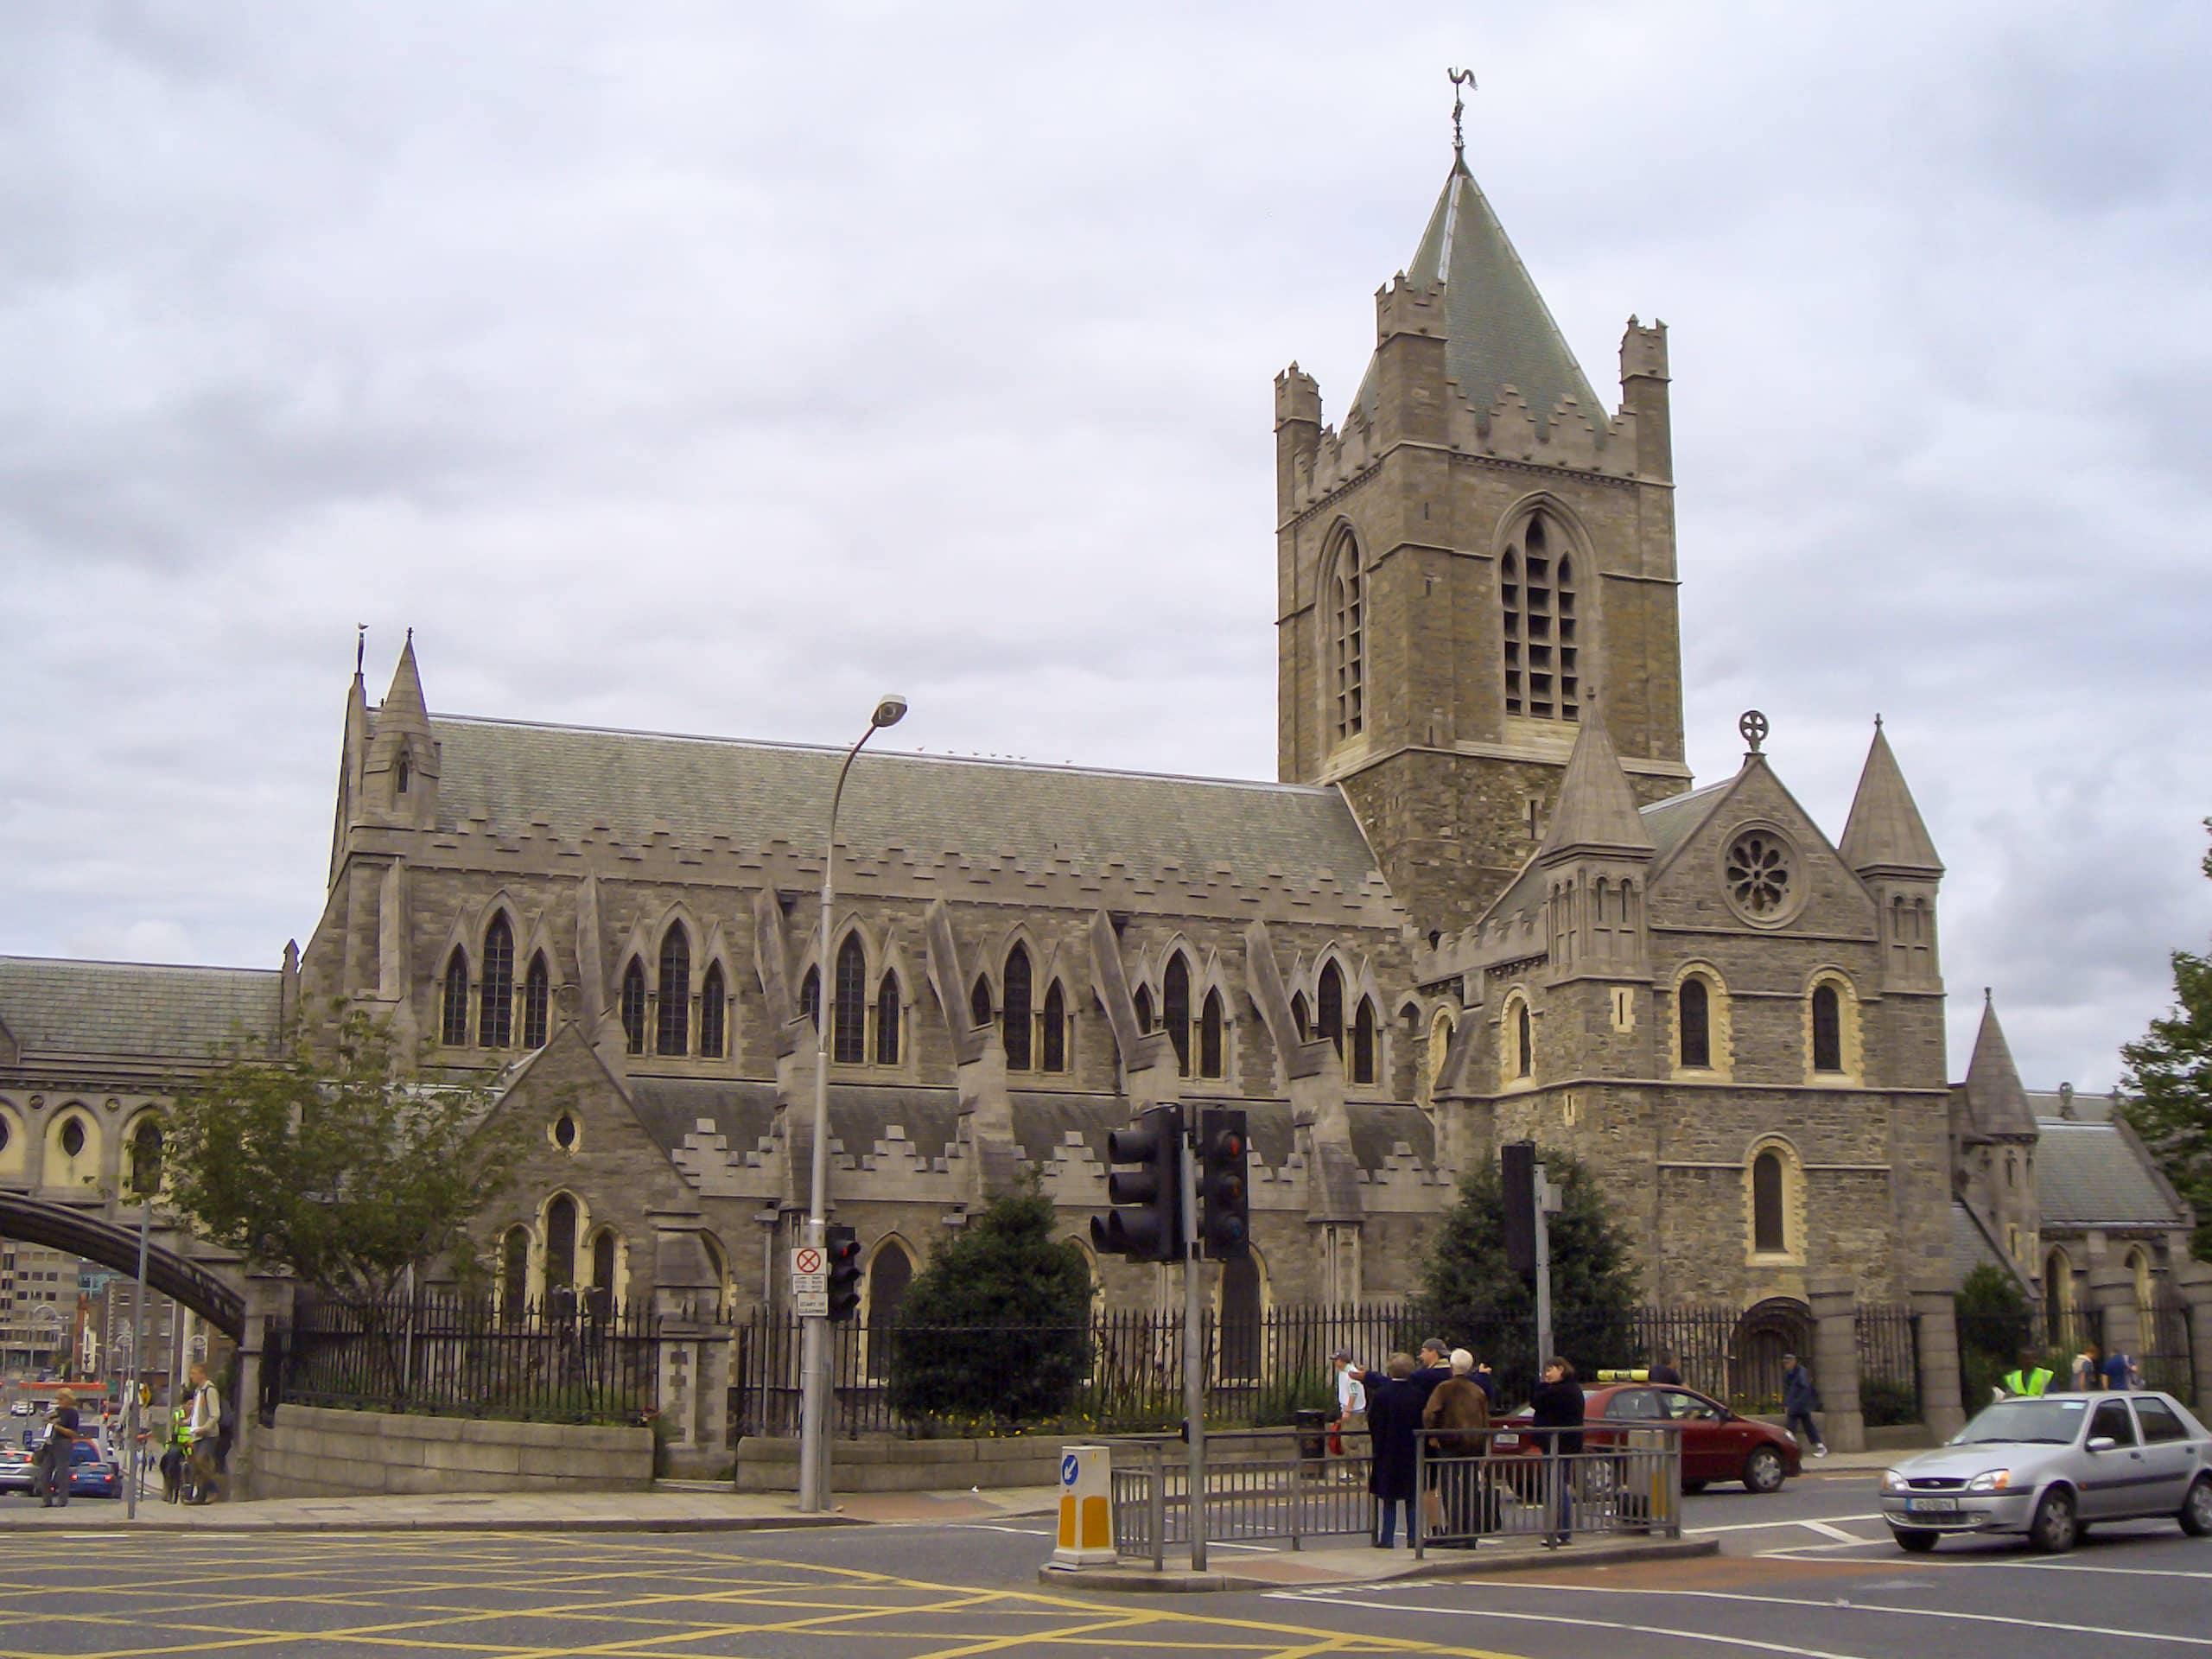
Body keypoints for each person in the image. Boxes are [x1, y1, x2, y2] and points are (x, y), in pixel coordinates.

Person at [1421, 1349, 1493, 1544]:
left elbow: (1430, 1413)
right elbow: (1485, 1419)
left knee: (1450, 1488)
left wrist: (1432, 1434)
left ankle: (1454, 1531)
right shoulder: (1477, 1391)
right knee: (1470, 1488)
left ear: (1452, 1367)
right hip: (1472, 1444)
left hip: (1449, 1443)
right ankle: (1469, 1533)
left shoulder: (1444, 1388)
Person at [1363, 1353, 1424, 1548]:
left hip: (1388, 1449)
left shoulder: (1382, 1394)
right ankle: (1413, 1537)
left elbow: (1373, 1420)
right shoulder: (1418, 1394)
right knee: (1411, 1497)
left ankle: (1387, 1538)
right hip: (1412, 1450)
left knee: (1388, 1497)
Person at [1529, 1357, 1585, 1548]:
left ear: (1561, 1369)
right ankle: (1559, 1530)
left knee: (1558, 1488)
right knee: (1558, 1486)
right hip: (1557, 1445)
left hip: (1560, 1445)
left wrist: (1541, 1386)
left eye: (1550, 1370)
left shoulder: (1564, 1391)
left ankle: (1561, 1531)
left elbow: (1537, 1402)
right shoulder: (1567, 1389)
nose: (1546, 1375)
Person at [185, 1362, 224, 1503]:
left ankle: (214, 1489)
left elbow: (215, 1414)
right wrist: (187, 1422)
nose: (191, 1377)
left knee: (202, 1462)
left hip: (208, 1435)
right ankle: (200, 1496)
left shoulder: (210, 1390)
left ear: (202, 1374)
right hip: (197, 1435)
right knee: (196, 1466)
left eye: (194, 1374)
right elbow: (197, 1413)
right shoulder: (198, 1391)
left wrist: (205, 1428)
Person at [37, 1388, 82, 1508]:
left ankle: (62, 1500)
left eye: (61, 1399)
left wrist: (57, 1427)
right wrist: (47, 1422)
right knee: (44, 1473)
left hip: (63, 1443)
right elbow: (48, 1423)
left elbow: (73, 1433)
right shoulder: (56, 1411)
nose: (59, 1401)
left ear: (67, 1399)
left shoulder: (72, 1413)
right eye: (58, 1399)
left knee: (62, 1472)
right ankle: (46, 1499)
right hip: (51, 1442)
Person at [1781, 1353, 1827, 1458]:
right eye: (1785, 1363)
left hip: (1800, 1405)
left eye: (1787, 1363)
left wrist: (1794, 1404)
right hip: (1797, 1405)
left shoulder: (1801, 1372)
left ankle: (1788, 1450)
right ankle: (1820, 1447)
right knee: (1807, 1426)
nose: (1786, 1365)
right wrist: (1786, 1404)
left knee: (1792, 1428)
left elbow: (1804, 1388)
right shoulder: (1789, 1373)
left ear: (1793, 1362)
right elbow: (1788, 1390)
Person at [1329, 1348, 1366, 1462]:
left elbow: (1353, 1392)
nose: (1335, 1362)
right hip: (1348, 1410)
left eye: (1337, 1360)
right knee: (1346, 1440)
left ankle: (1355, 1472)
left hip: (1354, 1411)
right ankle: (1352, 1470)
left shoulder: (1351, 1373)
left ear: (1343, 1360)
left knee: (1350, 1441)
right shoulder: (1343, 1372)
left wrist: (1348, 1410)